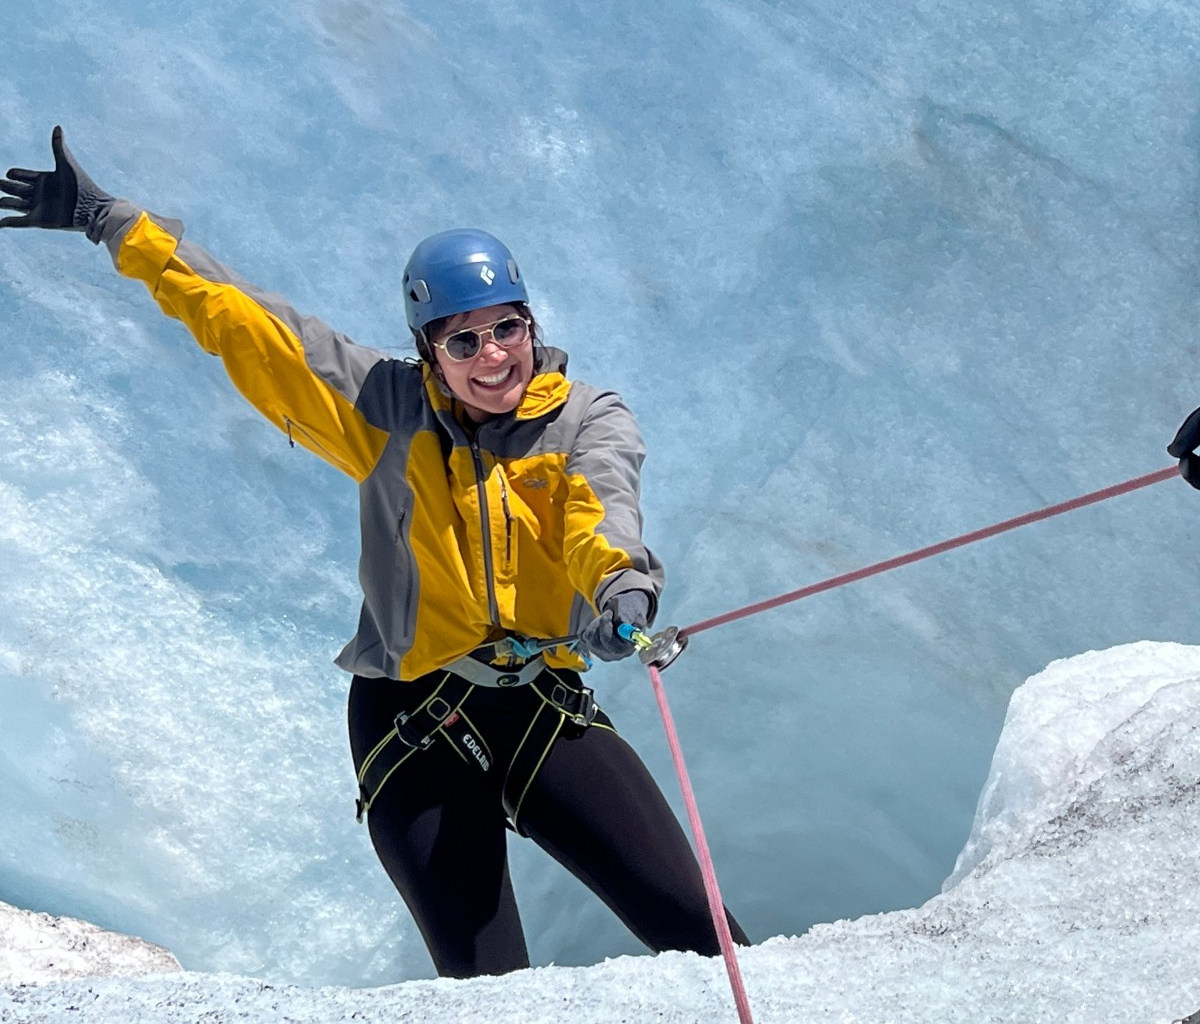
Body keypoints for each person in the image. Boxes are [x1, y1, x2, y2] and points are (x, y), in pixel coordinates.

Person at [0, 127, 748, 979]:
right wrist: (113, 222)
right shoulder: (383, 409)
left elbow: (597, 511)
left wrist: (620, 587)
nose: (491, 355)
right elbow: (248, 323)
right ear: (427, 349)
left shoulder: (585, 420)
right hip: (410, 716)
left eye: (506, 328)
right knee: (489, 992)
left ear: (532, 323)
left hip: (541, 701)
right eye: (461, 340)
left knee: (714, 946)